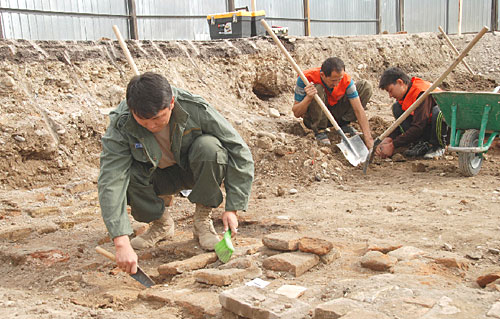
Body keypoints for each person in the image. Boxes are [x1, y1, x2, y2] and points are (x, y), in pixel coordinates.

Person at [98, 72, 254, 274]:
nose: (152, 126)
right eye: (143, 121)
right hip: (154, 176)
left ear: (171, 103)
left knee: (211, 149)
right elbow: (111, 178)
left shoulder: (193, 108)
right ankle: (161, 224)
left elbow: (238, 149)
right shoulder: (122, 123)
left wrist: (233, 208)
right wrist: (120, 242)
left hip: (192, 170)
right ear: (131, 110)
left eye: (157, 118)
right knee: (126, 175)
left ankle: (202, 222)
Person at [292, 57, 374, 149]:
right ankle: (320, 130)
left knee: (365, 87)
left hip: (336, 115)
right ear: (322, 75)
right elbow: (296, 113)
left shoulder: (346, 80)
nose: (337, 84)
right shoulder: (305, 78)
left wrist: (368, 138)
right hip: (315, 118)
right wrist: (308, 98)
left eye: (339, 79)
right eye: (333, 80)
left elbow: (358, 109)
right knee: (317, 89)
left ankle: (344, 124)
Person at [375, 67, 448, 159]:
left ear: (400, 82)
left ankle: (438, 146)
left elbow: (418, 126)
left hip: (443, 128)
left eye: (390, 90)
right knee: (397, 107)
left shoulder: (421, 93)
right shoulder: (407, 95)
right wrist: (390, 138)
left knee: (438, 112)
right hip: (427, 126)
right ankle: (422, 144)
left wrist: (393, 145)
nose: (390, 95)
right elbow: (404, 123)